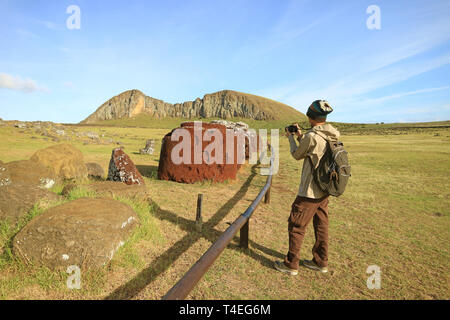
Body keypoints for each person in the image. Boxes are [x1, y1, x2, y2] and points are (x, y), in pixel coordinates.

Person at [274, 100, 340, 276]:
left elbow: (297, 154)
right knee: (321, 226)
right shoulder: (331, 134)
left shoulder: (312, 137)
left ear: (310, 116)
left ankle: (290, 264)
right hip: (324, 189)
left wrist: (290, 138)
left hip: (310, 191)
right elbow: (313, 149)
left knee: (296, 225)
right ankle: (320, 262)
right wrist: (300, 136)